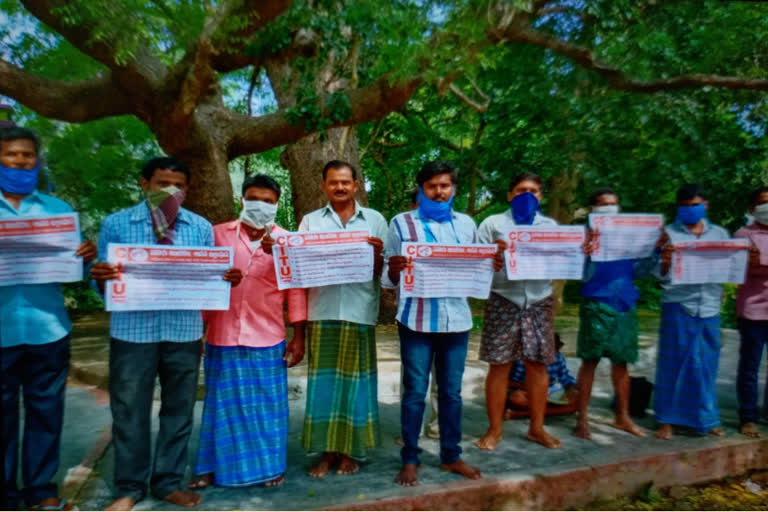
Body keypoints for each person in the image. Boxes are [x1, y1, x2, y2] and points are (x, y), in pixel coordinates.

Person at [90, 156, 242, 510]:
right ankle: (128, 488)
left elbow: (208, 279)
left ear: (187, 190)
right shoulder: (117, 224)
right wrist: (100, 279)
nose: (170, 191)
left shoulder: (200, 228)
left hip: (183, 332)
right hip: (132, 333)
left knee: (179, 409)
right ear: (145, 184)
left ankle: (167, 482)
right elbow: (103, 284)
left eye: (178, 186)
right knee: (129, 411)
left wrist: (224, 279)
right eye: (162, 184)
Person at [187, 174, 307, 489]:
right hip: (222, 335)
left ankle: (270, 468)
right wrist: (198, 328)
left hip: (268, 337)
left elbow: (295, 291)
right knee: (220, 405)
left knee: (268, 406)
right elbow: (200, 279)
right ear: (243, 200)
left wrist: (300, 336)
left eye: (268, 201)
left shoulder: (286, 240)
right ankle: (211, 467)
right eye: (254, 199)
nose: (261, 206)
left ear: (277, 205)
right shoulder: (218, 234)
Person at [386, 161, 501, 486]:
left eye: (445, 185)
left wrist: (493, 262)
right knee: (414, 392)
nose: (439, 191)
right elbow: (387, 277)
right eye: (432, 186)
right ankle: (411, 458)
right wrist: (394, 269)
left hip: (457, 322)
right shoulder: (401, 223)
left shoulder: (467, 224)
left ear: (453, 189)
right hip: (416, 321)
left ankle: (451, 456)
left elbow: (478, 269)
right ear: (421, 188)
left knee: (451, 393)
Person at [0, 126, 97, 511]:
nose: (20, 161)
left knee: (46, 413)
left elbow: (79, 270)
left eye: (27, 155)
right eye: (11, 155)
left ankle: (41, 491)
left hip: (49, 329)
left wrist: (86, 256)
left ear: (37, 162)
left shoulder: (59, 212)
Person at [280, 160, 386, 478]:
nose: (339, 187)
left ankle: (351, 452)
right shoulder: (311, 222)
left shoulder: (376, 221)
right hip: (322, 312)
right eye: (333, 182)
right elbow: (297, 271)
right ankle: (325, 453)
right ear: (324, 186)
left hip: (359, 313)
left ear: (356, 185)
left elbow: (388, 274)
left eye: (345, 182)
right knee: (323, 386)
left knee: (356, 386)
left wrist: (378, 255)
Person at [475, 172, 561, 450]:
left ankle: (537, 428)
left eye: (533, 191)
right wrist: (492, 256)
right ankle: (494, 430)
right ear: (510, 195)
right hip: (503, 298)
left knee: (538, 365)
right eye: (521, 189)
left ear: (541, 196)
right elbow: (475, 265)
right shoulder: (492, 224)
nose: (527, 195)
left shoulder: (551, 227)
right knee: (499, 365)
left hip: (539, 300)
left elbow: (565, 261)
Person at [573, 188, 650, 439]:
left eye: (614, 204)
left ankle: (622, 416)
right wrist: (585, 252)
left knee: (622, 364)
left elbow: (640, 269)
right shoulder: (583, 236)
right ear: (593, 209)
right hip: (596, 303)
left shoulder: (631, 236)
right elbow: (579, 273)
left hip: (625, 303)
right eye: (604, 205)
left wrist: (653, 247)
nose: (609, 208)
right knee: (590, 362)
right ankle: (581, 419)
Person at [653, 184, 728, 440]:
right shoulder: (668, 234)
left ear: (705, 204)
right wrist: (664, 261)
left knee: (706, 364)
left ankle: (706, 419)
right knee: (673, 362)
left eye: (694, 205)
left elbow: (730, 267)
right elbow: (655, 274)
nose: (689, 210)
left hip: (709, 305)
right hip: (678, 303)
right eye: (684, 206)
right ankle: (666, 419)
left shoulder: (719, 233)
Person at [734, 186, 768, 438]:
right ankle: (748, 416)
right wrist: (753, 266)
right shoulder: (743, 235)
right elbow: (735, 271)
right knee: (750, 366)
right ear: (752, 208)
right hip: (753, 310)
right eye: (763, 203)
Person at [505, 334, 578, 419]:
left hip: (548, 395)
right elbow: (508, 382)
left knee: (577, 402)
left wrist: (571, 388)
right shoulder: (522, 358)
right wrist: (532, 388)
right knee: (517, 398)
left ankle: (520, 414)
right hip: (525, 392)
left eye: (555, 349)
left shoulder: (558, 358)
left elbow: (565, 378)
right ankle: (548, 411)